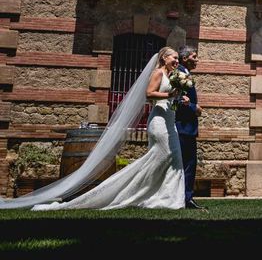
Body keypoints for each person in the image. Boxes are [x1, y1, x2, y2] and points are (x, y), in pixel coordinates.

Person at [24, 47, 189, 210]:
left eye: (177, 58)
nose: (176, 61)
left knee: (174, 159)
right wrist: (170, 95)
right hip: (159, 123)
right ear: (164, 58)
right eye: (173, 58)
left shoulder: (172, 76)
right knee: (164, 156)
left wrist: (180, 98)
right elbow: (149, 93)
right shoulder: (158, 73)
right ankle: (136, 192)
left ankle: (168, 197)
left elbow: (170, 97)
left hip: (170, 121)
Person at [176, 45, 205, 210]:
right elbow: (178, 99)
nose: (197, 59)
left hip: (188, 128)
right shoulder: (179, 74)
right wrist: (195, 108)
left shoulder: (185, 73)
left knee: (190, 164)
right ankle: (185, 198)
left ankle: (187, 198)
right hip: (182, 127)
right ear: (185, 58)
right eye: (194, 56)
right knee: (186, 163)